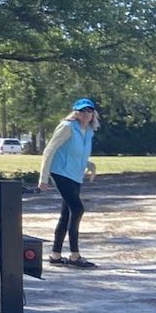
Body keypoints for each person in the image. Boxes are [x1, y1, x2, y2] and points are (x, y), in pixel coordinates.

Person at [39, 98, 100, 269]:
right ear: (76, 112)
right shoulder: (67, 127)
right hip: (60, 172)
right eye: (82, 111)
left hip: (75, 175)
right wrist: (43, 178)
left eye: (89, 111)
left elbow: (78, 154)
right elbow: (49, 150)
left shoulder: (89, 131)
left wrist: (90, 165)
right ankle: (75, 255)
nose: (86, 114)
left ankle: (55, 255)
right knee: (78, 209)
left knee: (66, 214)